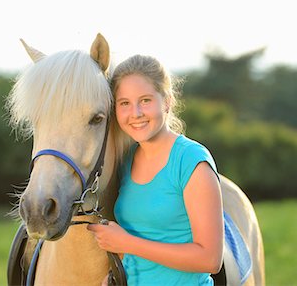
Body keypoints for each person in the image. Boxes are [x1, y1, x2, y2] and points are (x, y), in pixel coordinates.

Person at [87, 55, 223, 286]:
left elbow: (210, 259)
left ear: (167, 101)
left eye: (146, 100)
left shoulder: (191, 161)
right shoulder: (126, 160)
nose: (136, 113)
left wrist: (127, 244)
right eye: (125, 103)